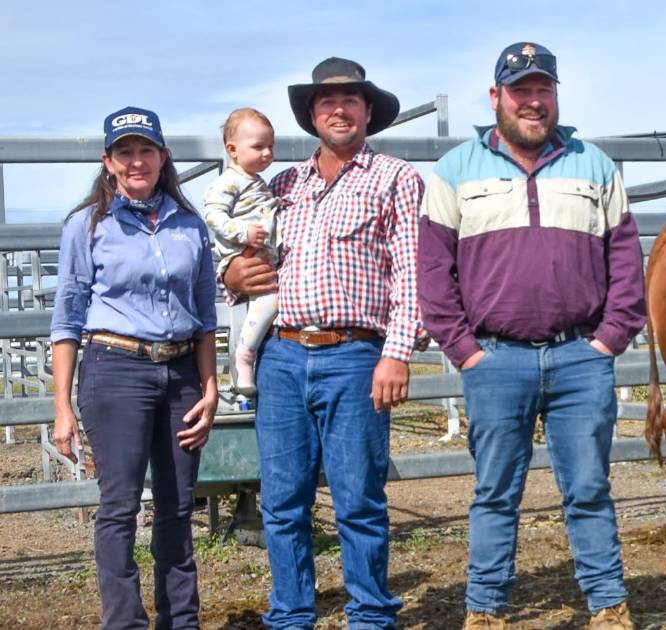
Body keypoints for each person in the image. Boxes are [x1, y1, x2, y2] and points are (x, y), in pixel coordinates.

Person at [418, 42, 645, 630]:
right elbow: (432, 272)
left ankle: (608, 606)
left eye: (543, 89)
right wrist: (464, 352)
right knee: (495, 492)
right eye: (520, 91)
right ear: (496, 97)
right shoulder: (455, 170)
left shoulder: (594, 165)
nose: (533, 102)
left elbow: (625, 261)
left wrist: (609, 340)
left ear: (555, 96)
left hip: (579, 356)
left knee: (589, 488)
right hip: (495, 358)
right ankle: (486, 611)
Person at [222, 57, 423, 630]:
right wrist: (231, 278)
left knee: (358, 496)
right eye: (326, 101)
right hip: (282, 354)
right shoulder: (282, 186)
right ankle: (289, 614)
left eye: (350, 100)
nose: (339, 109)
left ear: (367, 112)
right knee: (282, 500)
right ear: (312, 115)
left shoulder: (395, 178)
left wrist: (397, 352)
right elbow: (246, 265)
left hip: (356, 353)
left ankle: (370, 615)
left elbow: (412, 275)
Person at [50, 106, 218, 629]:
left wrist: (210, 387)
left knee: (176, 504)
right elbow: (67, 316)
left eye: (146, 150)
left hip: (182, 373)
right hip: (115, 369)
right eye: (125, 151)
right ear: (109, 162)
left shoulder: (190, 224)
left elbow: (206, 312)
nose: (137, 160)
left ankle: (180, 621)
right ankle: (123, 622)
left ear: (163, 156)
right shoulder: (87, 225)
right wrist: (61, 405)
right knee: (119, 506)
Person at [201, 107, 279, 395]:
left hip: (262, 253)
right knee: (270, 301)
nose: (267, 153)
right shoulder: (227, 182)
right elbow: (213, 215)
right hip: (244, 253)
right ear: (232, 150)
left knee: (270, 302)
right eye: (258, 147)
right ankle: (244, 355)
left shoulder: (258, 182)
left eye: (271, 146)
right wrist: (242, 232)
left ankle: (248, 357)